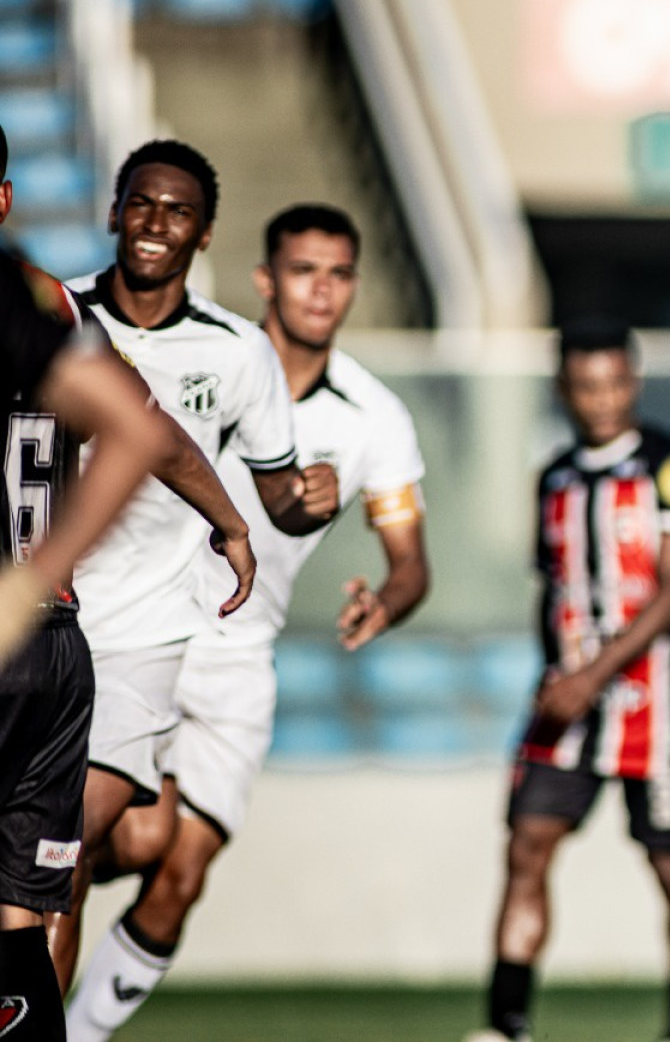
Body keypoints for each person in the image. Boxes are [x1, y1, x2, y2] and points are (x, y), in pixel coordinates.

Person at [65, 204, 431, 1041]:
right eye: (304, 270)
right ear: (267, 278)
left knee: (179, 868)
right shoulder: (213, 354)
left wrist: (388, 595)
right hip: (136, 629)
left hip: (238, 657)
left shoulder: (373, 416)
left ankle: (81, 1031)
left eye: (338, 274)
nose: (321, 290)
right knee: (84, 836)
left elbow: (413, 561)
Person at [49, 140, 339, 988]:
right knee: (87, 852)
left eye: (178, 212)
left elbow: (276, 494)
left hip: (143, 635)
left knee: (62, 856)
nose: (155, 224)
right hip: (39, 618)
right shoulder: (56, 322)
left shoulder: (236, 351)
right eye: (141, 203)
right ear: (113, 213)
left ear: (204, 236)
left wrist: (305, 502)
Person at [0, 128, 245, 1040]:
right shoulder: (53, 304)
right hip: (57, 641)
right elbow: (150, 432)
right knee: (25, 916)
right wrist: (229, 521)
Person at [471, 319, 670, 1042]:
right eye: (586, 385)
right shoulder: (553, 475)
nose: (602, 399)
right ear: (564, 389)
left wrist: (590, 676)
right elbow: (555, 589)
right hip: (565, 703)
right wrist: (561, 677)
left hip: (663, 703)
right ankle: (505, 1025)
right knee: (526, 846)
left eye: (615, 382)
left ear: (633, 381)